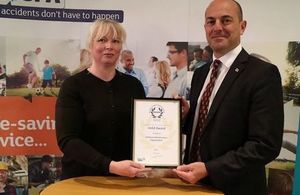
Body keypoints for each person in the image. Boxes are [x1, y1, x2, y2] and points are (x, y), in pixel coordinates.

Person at [173, 1, 284, 194]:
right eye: (211, 21)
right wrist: (185, 117)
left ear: (242, 26)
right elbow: (206, 127)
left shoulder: (263, 73)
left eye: (226, 20)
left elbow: (265, 145)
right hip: (192, 185)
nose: (217, 27)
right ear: (205, 27)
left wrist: (209, 169)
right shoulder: (201, 73)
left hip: (236, 188)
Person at [55, 19, 149, 180]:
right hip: (82, 180)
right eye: (102, 40)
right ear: (91, 45)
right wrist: (111, 166)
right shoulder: (73, 86)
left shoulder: (134, 86)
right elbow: (67, 140)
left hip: (126, 179)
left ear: (121, 47)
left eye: (116, 41)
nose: (109, 46)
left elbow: (144, 131)